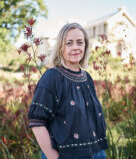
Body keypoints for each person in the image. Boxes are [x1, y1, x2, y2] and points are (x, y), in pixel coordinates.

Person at [28, 23, 108, 159]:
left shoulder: (86, 77)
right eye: (69, 43)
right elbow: (37, 121)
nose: (75, 47)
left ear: (85, 46)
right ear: (60, 47)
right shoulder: (52, 77)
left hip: (97, 153)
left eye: (79, 42)